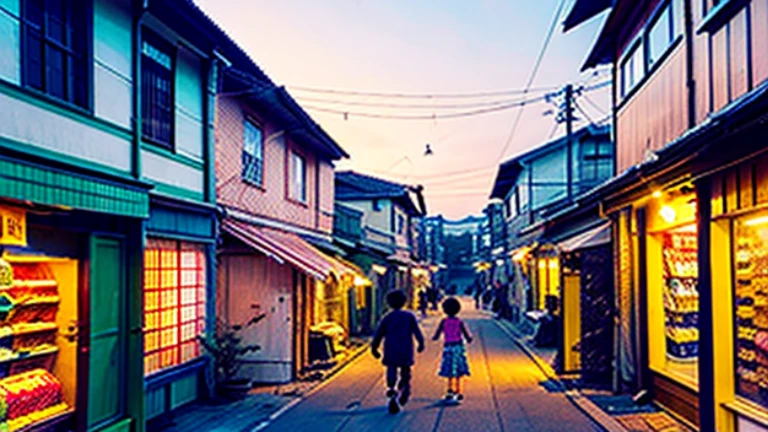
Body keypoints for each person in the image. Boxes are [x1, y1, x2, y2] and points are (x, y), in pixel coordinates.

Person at [372, 290, 425, 414]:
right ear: (404, 301)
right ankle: (404, 388)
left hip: (390, 349)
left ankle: (391, 389)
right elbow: (416, 331)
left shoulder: (387, 318)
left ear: (389, 303)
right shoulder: (409, 316)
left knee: (391, 369)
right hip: (405, 349)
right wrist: (421, 343)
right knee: (405, 370)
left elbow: (379, 334)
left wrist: (374, 348)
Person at [432, 297, 472, 401]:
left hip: (448, 347)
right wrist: (468, 339)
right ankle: (458, 391)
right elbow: (466, 334)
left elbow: (437, 334)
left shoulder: (444, 321)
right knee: (459, 369)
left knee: (450, 368)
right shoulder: (459, 321)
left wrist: (434, 337)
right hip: (458, 346)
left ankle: (449, 389)